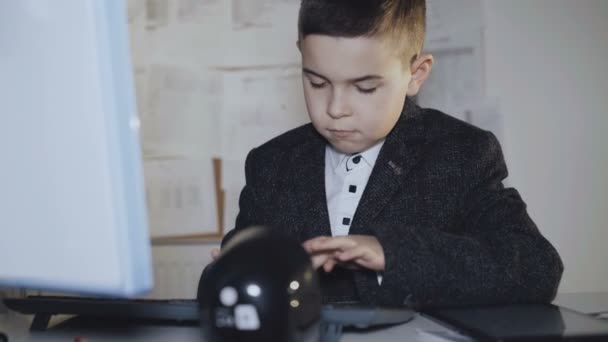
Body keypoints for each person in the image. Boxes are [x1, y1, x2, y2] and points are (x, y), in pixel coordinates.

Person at [211, 0, 563, 308]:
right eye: (317, 82)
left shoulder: (462, 154)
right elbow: (217, 289)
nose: (335, 108)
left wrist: (393, 255)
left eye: (364, 88)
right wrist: (237, 274)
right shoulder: (270, 164)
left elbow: (536, 268)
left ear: (415, 74)